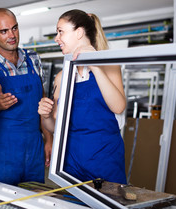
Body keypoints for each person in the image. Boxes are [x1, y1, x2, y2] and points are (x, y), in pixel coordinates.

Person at [38, 10, 127, 184]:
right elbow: (55, 127)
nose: (56, 38)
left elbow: (118, 106)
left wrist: (95, 66)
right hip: (71, 165)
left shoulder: (109, 66)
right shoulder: (62, 76)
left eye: (60, 31)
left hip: (105, 162)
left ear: (79, 33)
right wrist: (46, 115)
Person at [0, 8, 52, 185]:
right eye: (4, 31)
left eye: (14, 28)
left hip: (34, 147)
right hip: (3, 151)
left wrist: (49, 139)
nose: (12, 35)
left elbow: (43, 104)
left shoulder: (33, 59)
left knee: (36, 200)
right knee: (4, 206)